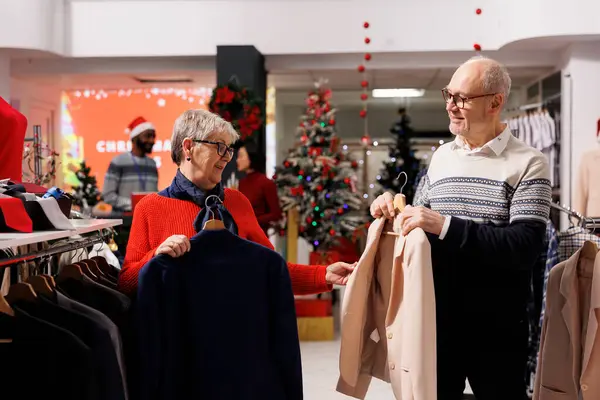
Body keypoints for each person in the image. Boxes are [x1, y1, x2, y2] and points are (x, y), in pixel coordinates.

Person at [369, 56, 551, 400]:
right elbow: (419, 224)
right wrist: (393, 205)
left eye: (462, 98)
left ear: (495, 102)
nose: (451, 106)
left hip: (498, 327)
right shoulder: (441, 157)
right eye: (448, 95)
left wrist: (445, 225)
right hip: (436, 320)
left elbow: (524, 247)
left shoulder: (530, 162)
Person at [118, 109, 355, 296]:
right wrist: (157, 255)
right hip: (180, 343)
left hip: (237, 336)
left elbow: (271, 269)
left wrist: (323, 275)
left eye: (229, 150)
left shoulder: (236, 201)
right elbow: (127, 282)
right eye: (219, 147)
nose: (226, 157)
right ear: (188, 147)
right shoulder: (150, 208)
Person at [102, 117, 159, 212]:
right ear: (135, 138)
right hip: (124, 222)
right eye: (147, 136)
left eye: (153, 136)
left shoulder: (152, 164)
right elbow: (108, 195)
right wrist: (134, 205)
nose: (152, 141)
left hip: (148, 220)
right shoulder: (118, 161)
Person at [236, 143, 282, 235]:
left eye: (241, 156)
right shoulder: (241, 183)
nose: (237, 160)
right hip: (242, 236)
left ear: (251, 157)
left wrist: (252, 221)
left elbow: (276, 214)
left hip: (259, 238)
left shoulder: (266, 183)